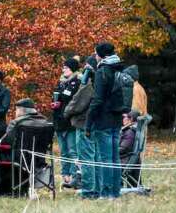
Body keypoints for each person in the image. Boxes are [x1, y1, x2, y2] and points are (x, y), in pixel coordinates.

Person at [86, 42, 128, 200]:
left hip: (103, 120)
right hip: (116, 119)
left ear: (102, 55)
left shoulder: (103, 71)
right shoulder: (119, 68)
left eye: (96, 53)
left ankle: (106, 194)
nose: (95, 56)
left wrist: (89, 123)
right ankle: (115, 192)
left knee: (105, 159)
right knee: (114, 157)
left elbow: (97, 100)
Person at [65, 55, 96, 194]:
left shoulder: (89, 83)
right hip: (92, 123)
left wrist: (67, 111)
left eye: (87, 67)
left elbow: (78, 102)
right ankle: (93, 184)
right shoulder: (100, 81)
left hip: (84, 123)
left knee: (85, 156)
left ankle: (88, 188)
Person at [51, 57, 81, 189]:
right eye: (63, 67)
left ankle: (75, 176)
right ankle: (65, 176)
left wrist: (61, 98)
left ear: (73, 69)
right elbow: (57, 95)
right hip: (59, 121)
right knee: (63, 151)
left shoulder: (77, 81)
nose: (63, 70)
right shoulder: (61, 82)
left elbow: (69, 96)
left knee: (73, 150)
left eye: (66, 68)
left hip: (70, 122)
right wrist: (55, 102)